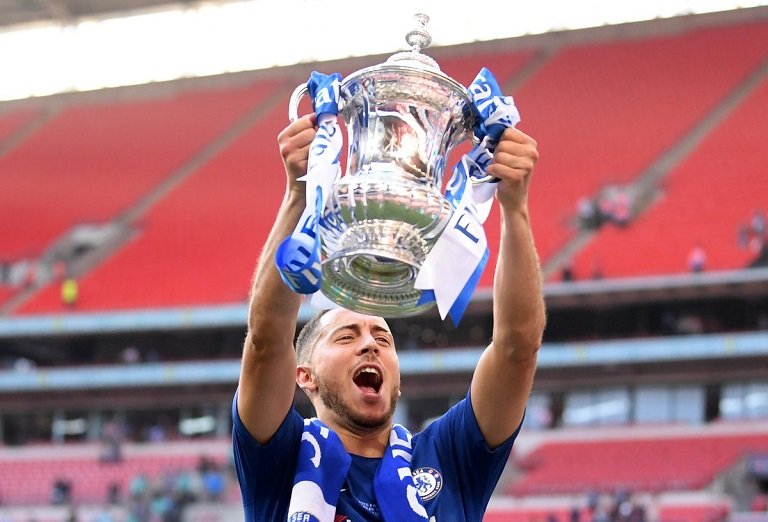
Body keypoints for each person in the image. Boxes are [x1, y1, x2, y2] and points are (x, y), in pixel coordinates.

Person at [231, 112, 545, 521]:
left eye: (383, 339)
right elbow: (266, 341)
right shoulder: (279, 455)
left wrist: (515, 207)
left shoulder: (447, 455)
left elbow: (518, 348)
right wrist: (299, 194)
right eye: (346, 336)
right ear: (303, 375)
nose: (369, 344)